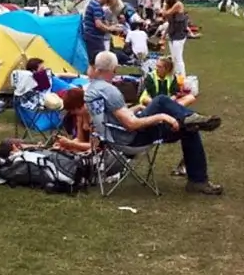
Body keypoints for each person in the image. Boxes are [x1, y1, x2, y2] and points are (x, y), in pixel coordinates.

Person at [85, 51, 223, 195]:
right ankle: (198, 180)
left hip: (114, 137)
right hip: (131, 140)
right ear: (114, 69)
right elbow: (131, 125)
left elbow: (115, 117)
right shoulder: (110, 91)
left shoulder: (93, 89)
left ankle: (188, 120)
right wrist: (161, 116)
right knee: (165, 104)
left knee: (187, 125)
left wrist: (136, 108)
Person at [82, 0, 122, 77]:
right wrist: (110, 29)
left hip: (91, 37)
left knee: (93, 62)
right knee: (99, 62)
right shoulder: (96, 6)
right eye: (108, 1)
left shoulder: (93, 4)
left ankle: (93, 79)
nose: (106, 4)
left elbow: (102, 22)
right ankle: (97, 79)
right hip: (94, 38)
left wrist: (112, 27)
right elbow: (99, 25)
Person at [159, 0, 189, 76]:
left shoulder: (178, 5)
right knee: (173, 58)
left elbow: (164, 13)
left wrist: (164, 3)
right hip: (172, 34)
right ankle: (175, 75)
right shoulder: (170, 5)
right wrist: (164, 35)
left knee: (178, 58)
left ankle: (182, 76)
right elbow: (169, 22)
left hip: (179, 35)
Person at [55, 87, 92, 152]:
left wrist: (70, 143)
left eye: (73, 110)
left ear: (81, 105)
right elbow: (80, 139)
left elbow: (94, 146)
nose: (72, 113)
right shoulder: (80, 116)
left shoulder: (95, 118)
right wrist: (65, 144)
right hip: (87, 150)